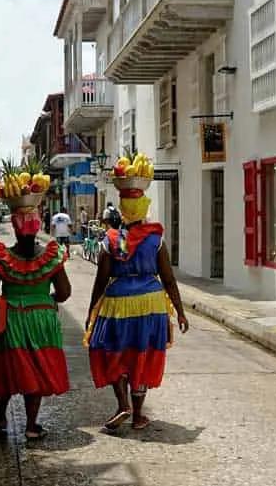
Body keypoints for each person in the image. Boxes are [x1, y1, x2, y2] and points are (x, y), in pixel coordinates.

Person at [85, 174, 189, 432]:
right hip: (151, 303)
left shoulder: (110, 241)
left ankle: (123, 404)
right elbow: (169, 279)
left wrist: (91, 310)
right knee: (142, 354)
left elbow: (101, 279)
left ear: (122, 211)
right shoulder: (156, 240)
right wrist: (180, 311)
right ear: (144, 209)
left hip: (117, 303)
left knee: (111, 350)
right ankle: (139, 414)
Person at [0, 195, 71, 441]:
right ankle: (31, 425)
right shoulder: (51, 257)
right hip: (42, 319)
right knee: (37, 368)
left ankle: (1, 413)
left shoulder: (1, 258)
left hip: (10, 319)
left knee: (7, 365)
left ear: (15, 230)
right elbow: (64, 293)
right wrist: (46, 297)